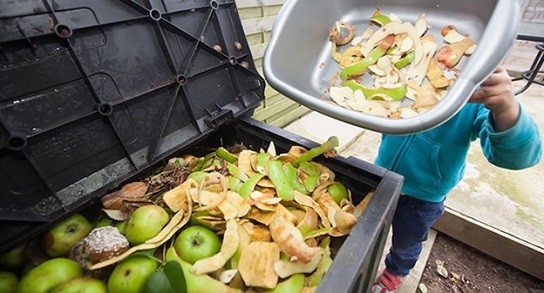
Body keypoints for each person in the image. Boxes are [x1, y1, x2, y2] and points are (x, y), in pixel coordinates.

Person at [371, 65, 542, 293]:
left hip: (423, 198)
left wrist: (505, 107)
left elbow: (519, 156)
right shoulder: (410, 67)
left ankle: (394, 274)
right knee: (370, 227)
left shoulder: (474, 90)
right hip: (382, 176)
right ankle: (366, 258)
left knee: (407, 243)